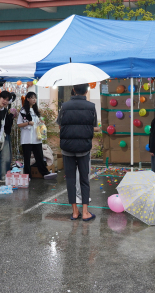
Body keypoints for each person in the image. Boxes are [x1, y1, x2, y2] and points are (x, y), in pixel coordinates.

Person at [59, 83, 97, 221]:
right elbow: (94, 126)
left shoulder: (64, 106)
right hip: (83, 148)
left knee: (70, 179)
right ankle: (85, 212)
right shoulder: (91, 107)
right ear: (87, 91)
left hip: (67, 147)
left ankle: (75, 212)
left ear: (73, 90)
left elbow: (60, 124)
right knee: (84, 180)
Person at [17, 92, 54, 179]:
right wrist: (28, 123)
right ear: (28, 99)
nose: (34, 100)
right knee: (27, 158)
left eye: (35, 98)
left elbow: (37, 122)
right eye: (32, 98)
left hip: (36, 137)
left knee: (39, 156)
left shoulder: (36, 110)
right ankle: (27, 175)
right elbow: (19, 124)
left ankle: (45, 173)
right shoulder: (23, 111)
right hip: (26, 138)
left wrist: (41, 122)